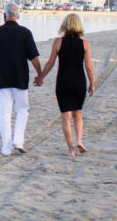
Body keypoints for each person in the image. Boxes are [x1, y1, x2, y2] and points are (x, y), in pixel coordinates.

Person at [0, 2, 42, 155]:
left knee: (5, 114)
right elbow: (34, 58)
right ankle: (18, 140)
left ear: (4, 16)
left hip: (1, 78)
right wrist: (40, 74)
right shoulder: (25, 33)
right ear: (18, 16)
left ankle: (6, 148)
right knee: (22, 109)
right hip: (20, 78)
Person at [35, 13, 95, 157]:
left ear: (65, 26)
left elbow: (50, 63)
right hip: (79, 81)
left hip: (63, 81)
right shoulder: (85, 44)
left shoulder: (58, 42)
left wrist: (40, 77)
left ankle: (70, 149)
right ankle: (79, 140)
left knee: (65, 116)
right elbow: (88, 66)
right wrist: (92, 83)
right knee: (78, 113)